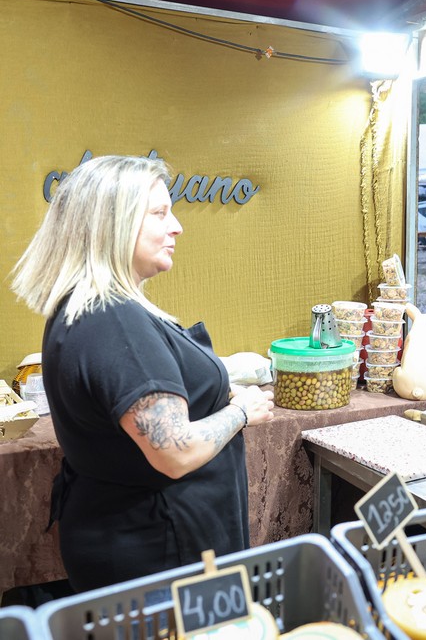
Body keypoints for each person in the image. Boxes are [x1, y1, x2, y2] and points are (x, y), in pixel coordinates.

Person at [10, 155, 275, 592]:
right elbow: (175, 452)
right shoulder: (114, 321)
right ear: (112, 225)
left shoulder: (90, 309)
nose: (177, 227)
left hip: (143, 538)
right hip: (161, 551)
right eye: (159, 213)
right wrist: (242, 411)